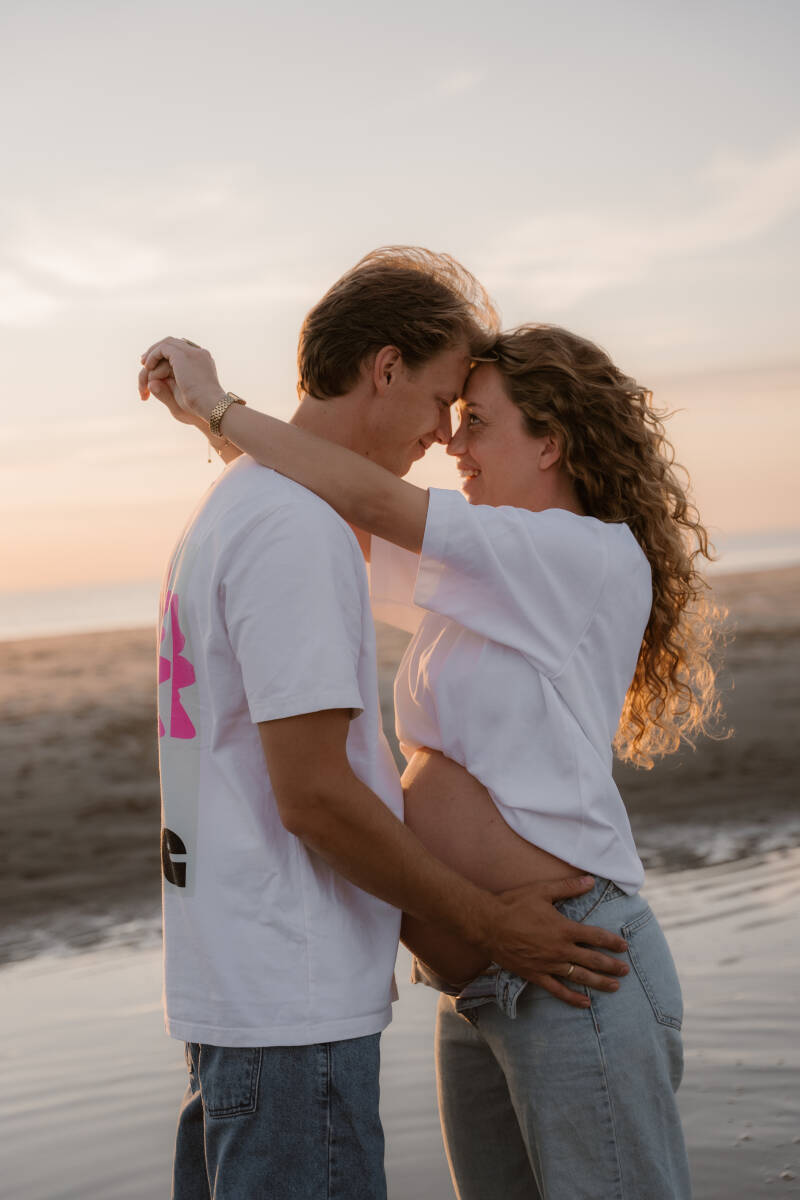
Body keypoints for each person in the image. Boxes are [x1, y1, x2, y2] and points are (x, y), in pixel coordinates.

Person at [143, 318, 722, 1199]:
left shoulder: (587, 556)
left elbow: (370, 500)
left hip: (571, 962)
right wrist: (209, 427)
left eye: (476, 421)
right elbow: (326, 503)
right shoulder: (483, 575)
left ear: (551, 443)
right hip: (480, 984)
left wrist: (221, 405)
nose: (453, 443)